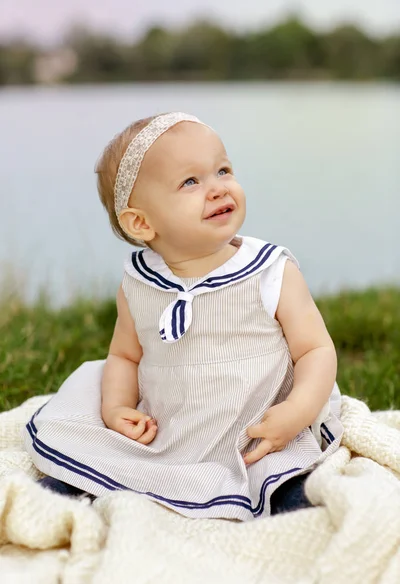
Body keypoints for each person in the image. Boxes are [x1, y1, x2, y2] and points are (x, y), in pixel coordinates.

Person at [24, 112, 343, 520]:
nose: (217, 188)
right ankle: (68, 488)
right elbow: (125, 356)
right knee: (105, 458)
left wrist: (297, 410)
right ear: (141, 222)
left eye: (223, 170)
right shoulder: (139, 283)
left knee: (277, 474)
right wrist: (117, 408)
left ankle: (295, 512)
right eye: (190, 182)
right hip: (172, 424)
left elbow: (316, 349)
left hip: (254, 425)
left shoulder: (269, 270)